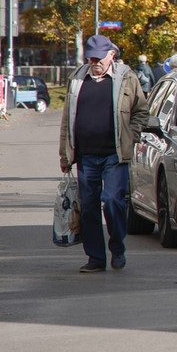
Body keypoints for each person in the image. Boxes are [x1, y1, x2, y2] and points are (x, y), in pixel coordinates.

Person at [58, 35, 148, 273]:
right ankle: (96, 258)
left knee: (112, 201)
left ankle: (117, 247)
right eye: (91, 56)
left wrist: (132, 134)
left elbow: (141, 111)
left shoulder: (127, 78)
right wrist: (65, 156)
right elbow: (67, 120)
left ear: (112, 54)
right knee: (88, 208)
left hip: (115, 155)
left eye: (99, 56)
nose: (95, 61)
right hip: (86, 156)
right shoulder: (77, 78)